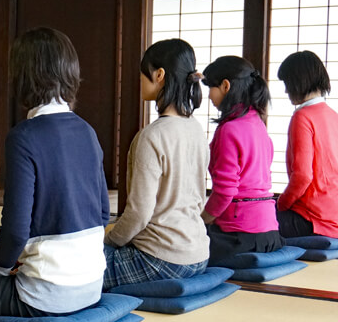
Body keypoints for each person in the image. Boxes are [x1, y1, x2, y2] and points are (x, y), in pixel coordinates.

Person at [0, 28, 109, 320]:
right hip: (93, 287)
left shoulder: (24, 137)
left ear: (21, 77)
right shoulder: (87, 131)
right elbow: (104, 214)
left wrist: (1, 268)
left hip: (44, 298)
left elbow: (17, 228)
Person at [103, 38, 209, 289]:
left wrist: (110, 240)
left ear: (159, 74)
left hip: (160, 260)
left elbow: (139, 213)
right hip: (199, 254)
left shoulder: (152, 136)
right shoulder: (196, 128)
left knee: (73, 269)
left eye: (143, 73)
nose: (139, 79)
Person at [200, 56, 284, 261]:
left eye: (211, 87)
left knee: (181, 247)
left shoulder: (229, 129)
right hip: (271, 234)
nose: (209, 96)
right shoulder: (258, 123)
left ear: (225, 86)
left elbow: (225, 191)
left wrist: (202, 220)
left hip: (240, 236)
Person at [276, 50, 338, 238]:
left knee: (246, 225)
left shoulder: (302, 117)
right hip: (333, 215)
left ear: (297, 82)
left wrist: (281, 203)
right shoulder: (333, 115)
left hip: (311, 218)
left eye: (287, 84)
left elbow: (302, 176)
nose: (286, 91)